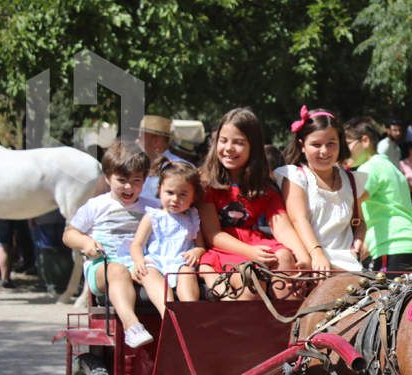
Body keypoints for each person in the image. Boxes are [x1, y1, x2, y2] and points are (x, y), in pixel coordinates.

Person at [198, 107, 309, 299]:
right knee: (249, 279)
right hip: (225, 248)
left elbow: (282, 228)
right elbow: (213, 234)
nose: (229, 148)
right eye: (223, 141)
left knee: (284, 257)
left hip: (255, 243)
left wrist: (304, 256)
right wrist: (249, 252)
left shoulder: (264, 186)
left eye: (238, 142)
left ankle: (287, 322)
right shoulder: (207, 183)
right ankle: (250, 326)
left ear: (253, 147)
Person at [63, 140, 155, 348]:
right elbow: (69, 234)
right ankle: (132, 326)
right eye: (122, 180)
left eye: (136, 180)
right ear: (107, 177)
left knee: (155, 274)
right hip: (103, 265)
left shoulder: (152, 207)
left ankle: (172, 324)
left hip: (139, 264)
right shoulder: (97, 205)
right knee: (117, 270)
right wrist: (86, 242)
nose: (129, 187)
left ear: (145, 180)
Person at [277, 106, 365, 272]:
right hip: (311, 264)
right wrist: (317, 253)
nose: (324, 151)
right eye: (316, 145)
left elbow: (359, 221)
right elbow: (299, 219)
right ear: (302, 145)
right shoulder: (296, 176)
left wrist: (360, 239)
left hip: (349, 265)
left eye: (331, 144)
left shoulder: (352, 180)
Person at [344, 117, 412, 272]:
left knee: (383, 296)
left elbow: (350, 201)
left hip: (394, 245)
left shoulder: (369, 168)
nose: (342, 152)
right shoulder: (390, 166)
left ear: (364, 141)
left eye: (347, 144)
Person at [130, 162, 205, 317]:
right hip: (156, 261)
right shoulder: (153, 216)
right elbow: (137, 244)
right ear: (160, 190)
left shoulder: (192, 218)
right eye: (169, 192)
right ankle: (168, 313)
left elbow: (200, 246)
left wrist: (197, 251)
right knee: (148, 274)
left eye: (183, 194)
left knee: (187, 273)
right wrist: (138, 261)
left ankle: (191, 313)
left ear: (193, 196)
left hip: (181, 261)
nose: (175, 199)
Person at [136, 115, 191, 200]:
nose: (137, 140)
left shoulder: (181, 168)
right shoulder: (137, 163)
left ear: (156, 141)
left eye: (141, 136)